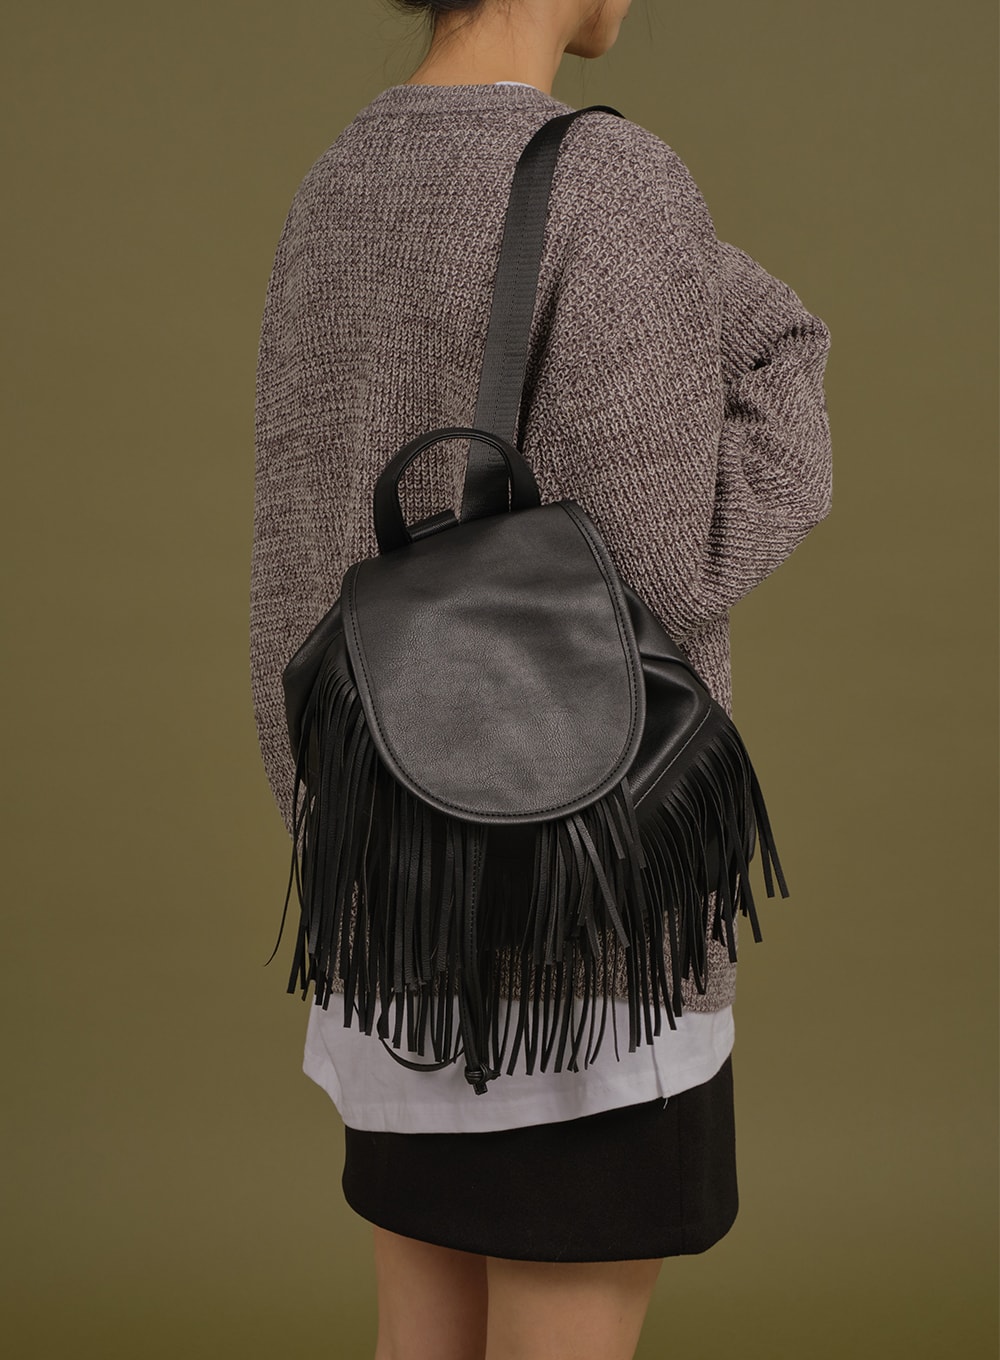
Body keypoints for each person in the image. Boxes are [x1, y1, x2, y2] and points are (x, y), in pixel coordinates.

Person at [249, 1, 834, 1356]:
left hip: (393, 909)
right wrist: (788, 421)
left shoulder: (338, 181)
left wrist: (353, 855)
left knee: (422, 1339)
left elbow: (294, 576)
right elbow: (660, 573)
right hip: (585, 933)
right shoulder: (616, 182)